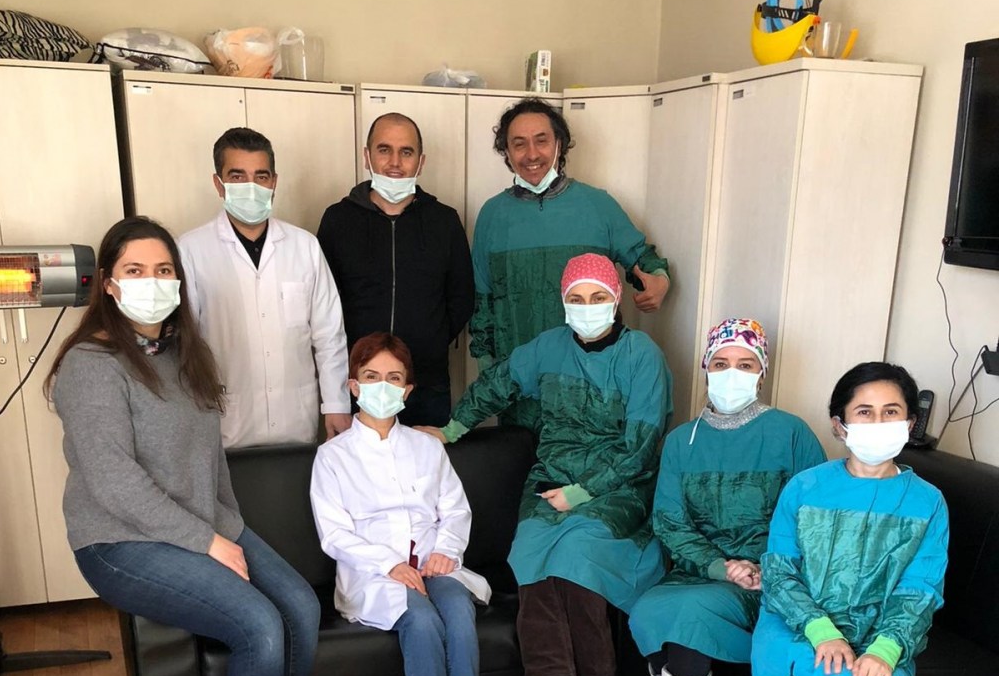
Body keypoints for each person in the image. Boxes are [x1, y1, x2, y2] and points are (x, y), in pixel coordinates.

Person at [48, 216, 353, 676]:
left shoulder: (184, 353)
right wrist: (206, 541)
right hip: (118, 540)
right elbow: (112, 480)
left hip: (200, 521)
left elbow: (208, 459)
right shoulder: (91, 363)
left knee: (299, 605)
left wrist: (229, 528)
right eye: (135, 270)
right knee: (258, 625)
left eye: (163, 270)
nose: (152, 281)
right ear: (108, 283)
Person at [425, 253, 671, 676]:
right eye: (577, 298)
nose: (587, 307)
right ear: (563, 302)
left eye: (597, 297)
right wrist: (453, 428)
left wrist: (582, 493)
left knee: (578, 553)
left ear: (616, 299)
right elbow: (498, 383)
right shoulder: (548, 347)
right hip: (552, 476)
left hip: (619, 486)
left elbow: (640, 448)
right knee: (531, 546)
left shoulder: (642, 356)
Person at [748, 362, 949, 676]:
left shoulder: (928, 503)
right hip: (797, 627)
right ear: (840, 424)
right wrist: (821, 630)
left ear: (910, 424)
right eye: (865, 412)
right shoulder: (805, 488)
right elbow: (780, 572)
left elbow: (920, 588)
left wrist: (885, 649)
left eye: (891, 412)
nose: (878, 422)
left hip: (880, 633)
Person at [628, 319, 825, 676]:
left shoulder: (792, 434)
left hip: (770, 579)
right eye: (720, 363)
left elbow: (814, 520)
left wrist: (765, 567)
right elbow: (670, 521)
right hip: (702, 570)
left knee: (692, 614)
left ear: (762, 373)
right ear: (706, 369)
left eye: (745, 364)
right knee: (647, 610)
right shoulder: (682, 441)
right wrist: (720, 566)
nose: (731, 373)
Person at [310, 332, 498, 676]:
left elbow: (455, 510)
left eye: (393, 378)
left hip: (433, 563)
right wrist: (388, 564)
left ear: (408, 390)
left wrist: (445, 552)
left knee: (458, 612)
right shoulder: (332, 457)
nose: (382, 386)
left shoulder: (427, 448)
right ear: (354, 386)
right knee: (422, 619)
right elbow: (334, 534)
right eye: (371, 376)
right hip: (375, 574)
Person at [470, 97, 671, 428]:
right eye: (519, 144)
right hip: (520, 388)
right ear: (506, 152)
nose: (531, 154)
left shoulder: (598, 206)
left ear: (559, 144)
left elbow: (642, 259)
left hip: (590, 386)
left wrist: (659, 279)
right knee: (519, 459)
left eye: (541, 141)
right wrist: (490, 373)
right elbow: (483, 302)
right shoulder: (493, 215)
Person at [179, 126, 349, 447]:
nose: (251, 187)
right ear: (218, 183)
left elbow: (329, 335)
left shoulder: (305, 246)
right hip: (225, 421)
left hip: (296, 419)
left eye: (261, 176)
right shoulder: (191, 250)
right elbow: (185, 344)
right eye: (237, 176)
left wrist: (336, 404)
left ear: (274, 182)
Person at [316, 112, 474, 429]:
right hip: (358, 383)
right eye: (384, 149)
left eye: (406, 152)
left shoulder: (444, 221)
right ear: (367, 156)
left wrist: (430, 339)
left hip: (426, 384)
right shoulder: (338, 220)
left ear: (421, 161)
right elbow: (323, 303)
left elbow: (462, 296)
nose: (395, 163)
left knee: (425, 460)